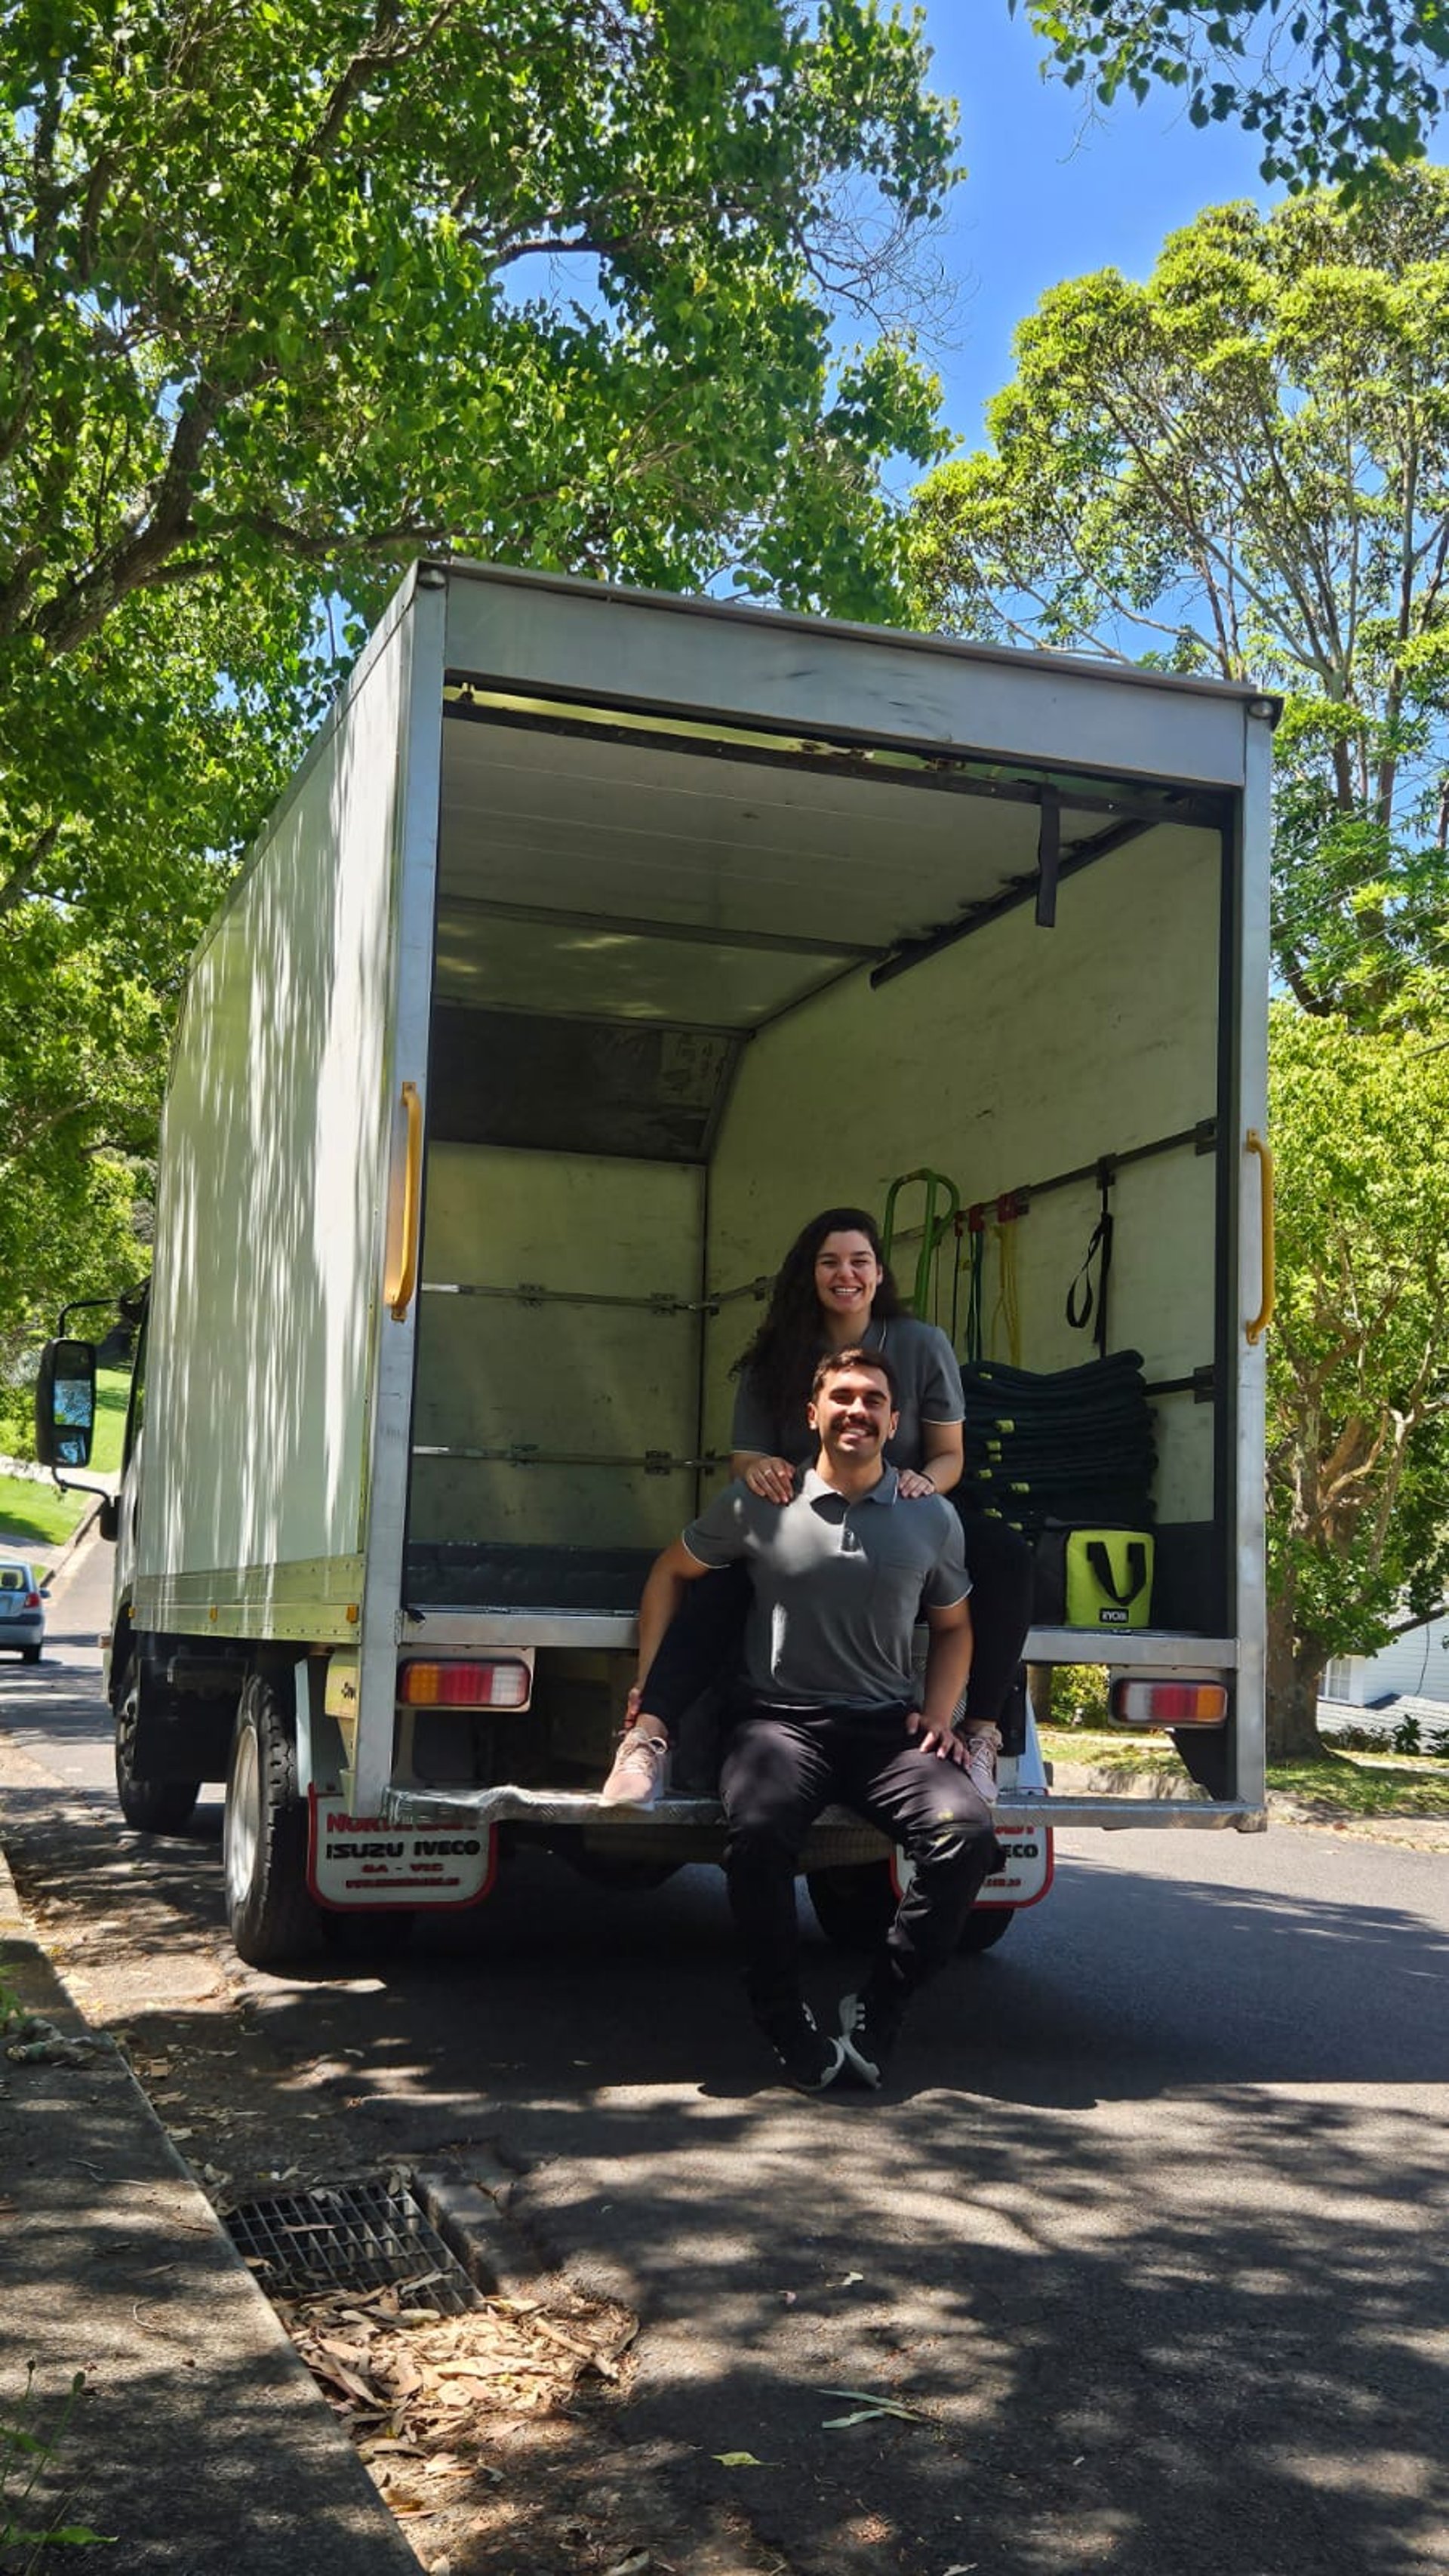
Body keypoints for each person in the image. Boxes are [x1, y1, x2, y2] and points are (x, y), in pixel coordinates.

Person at [626, 1346, 1003, 2091]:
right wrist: (647, 1689)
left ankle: (881, 2004)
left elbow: (956, 1625)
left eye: (872, 1399)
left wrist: (939, 1713)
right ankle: (781, 2015)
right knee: (760, 1835)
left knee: (967, 1832)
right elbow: (672, 1571)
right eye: (841, 1396)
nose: (856, 1409)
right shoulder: (761, 1501)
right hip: (777, 1727)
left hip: (884, 1732)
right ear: (813, 1413)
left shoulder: (932, 1516)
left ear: (895, 1421)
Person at [599, 1206, 1032, 1806]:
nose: (845, 1273)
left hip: (903, 1508)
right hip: (799, 1516)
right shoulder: (773, 1356)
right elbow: (746, 1461)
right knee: (723, 1584)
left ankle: (981, 1729)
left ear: (880, 1274)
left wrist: (922, 1486)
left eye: (859, 1261)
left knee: (1008, 1555)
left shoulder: (922, 1344)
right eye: (830, 1261)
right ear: (810, 1274)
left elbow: (951, 1455)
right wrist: (764, 1471)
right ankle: (648, 1733)